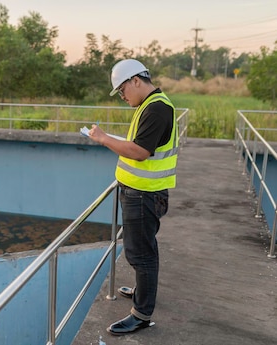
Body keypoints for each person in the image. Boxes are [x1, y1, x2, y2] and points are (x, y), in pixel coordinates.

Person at [87, 59, 178, 336]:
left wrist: (104, 139)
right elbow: (139, 145)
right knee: (143, 249)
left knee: (141, 254)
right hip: (139, 193)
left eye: (123, 90)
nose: (123, 96)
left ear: (136, 80)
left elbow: (140, 151)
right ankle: (144, 292)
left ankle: (141, 315)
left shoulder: (157, 108)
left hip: (144, 195)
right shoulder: (149, 105)